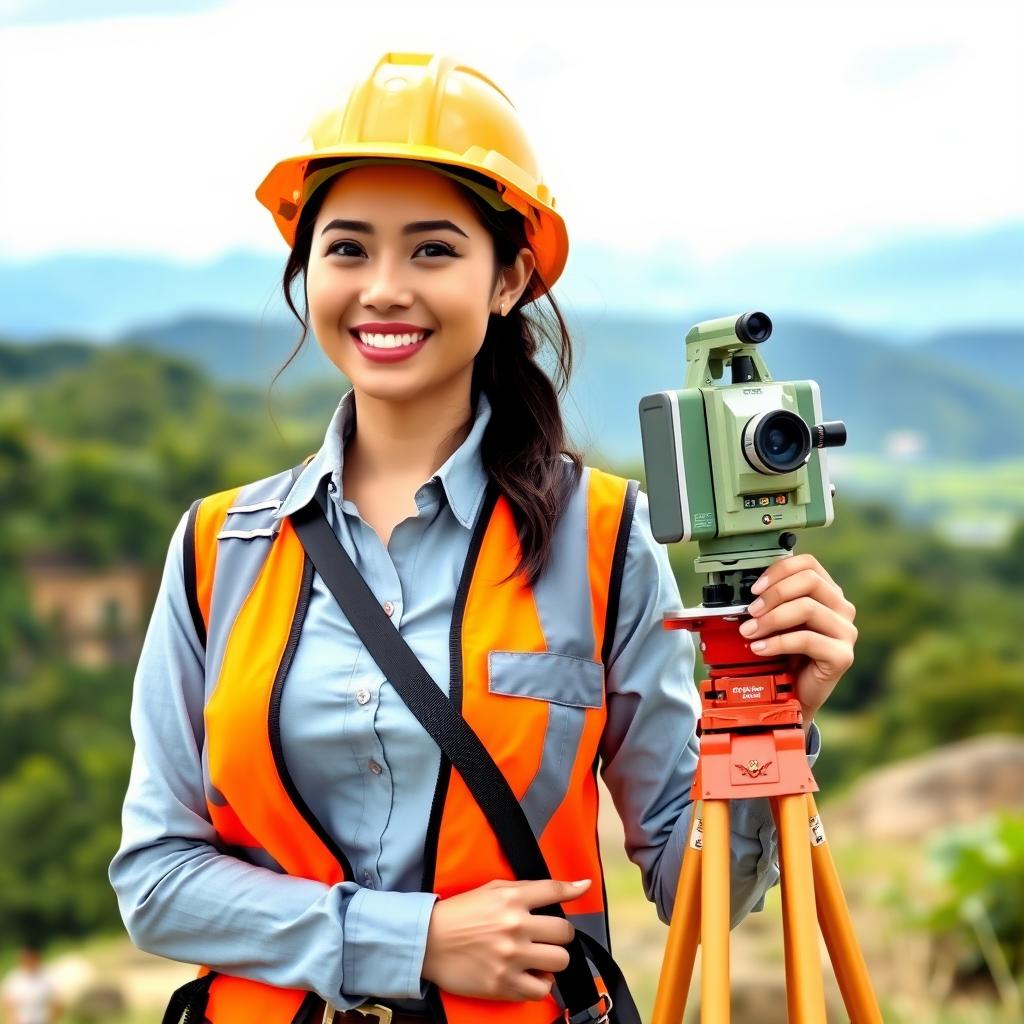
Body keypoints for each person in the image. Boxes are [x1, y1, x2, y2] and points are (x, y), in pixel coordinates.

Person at [108, 52, 857, 1024]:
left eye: (430, 250)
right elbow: (156, 881)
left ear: (507, 277)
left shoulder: (601, 540)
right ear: (306, 270)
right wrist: (412, 939)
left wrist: (772, 724)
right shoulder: (221, 548)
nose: (383, 288)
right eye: (346, 249)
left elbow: (696, 889)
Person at [0, 945, 62, 1024]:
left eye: (30, 959)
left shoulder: (47, 977)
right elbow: (6, 1001)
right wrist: (11, 1019)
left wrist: (52, 1019)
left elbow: (57, 1001)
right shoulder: (14, 978)